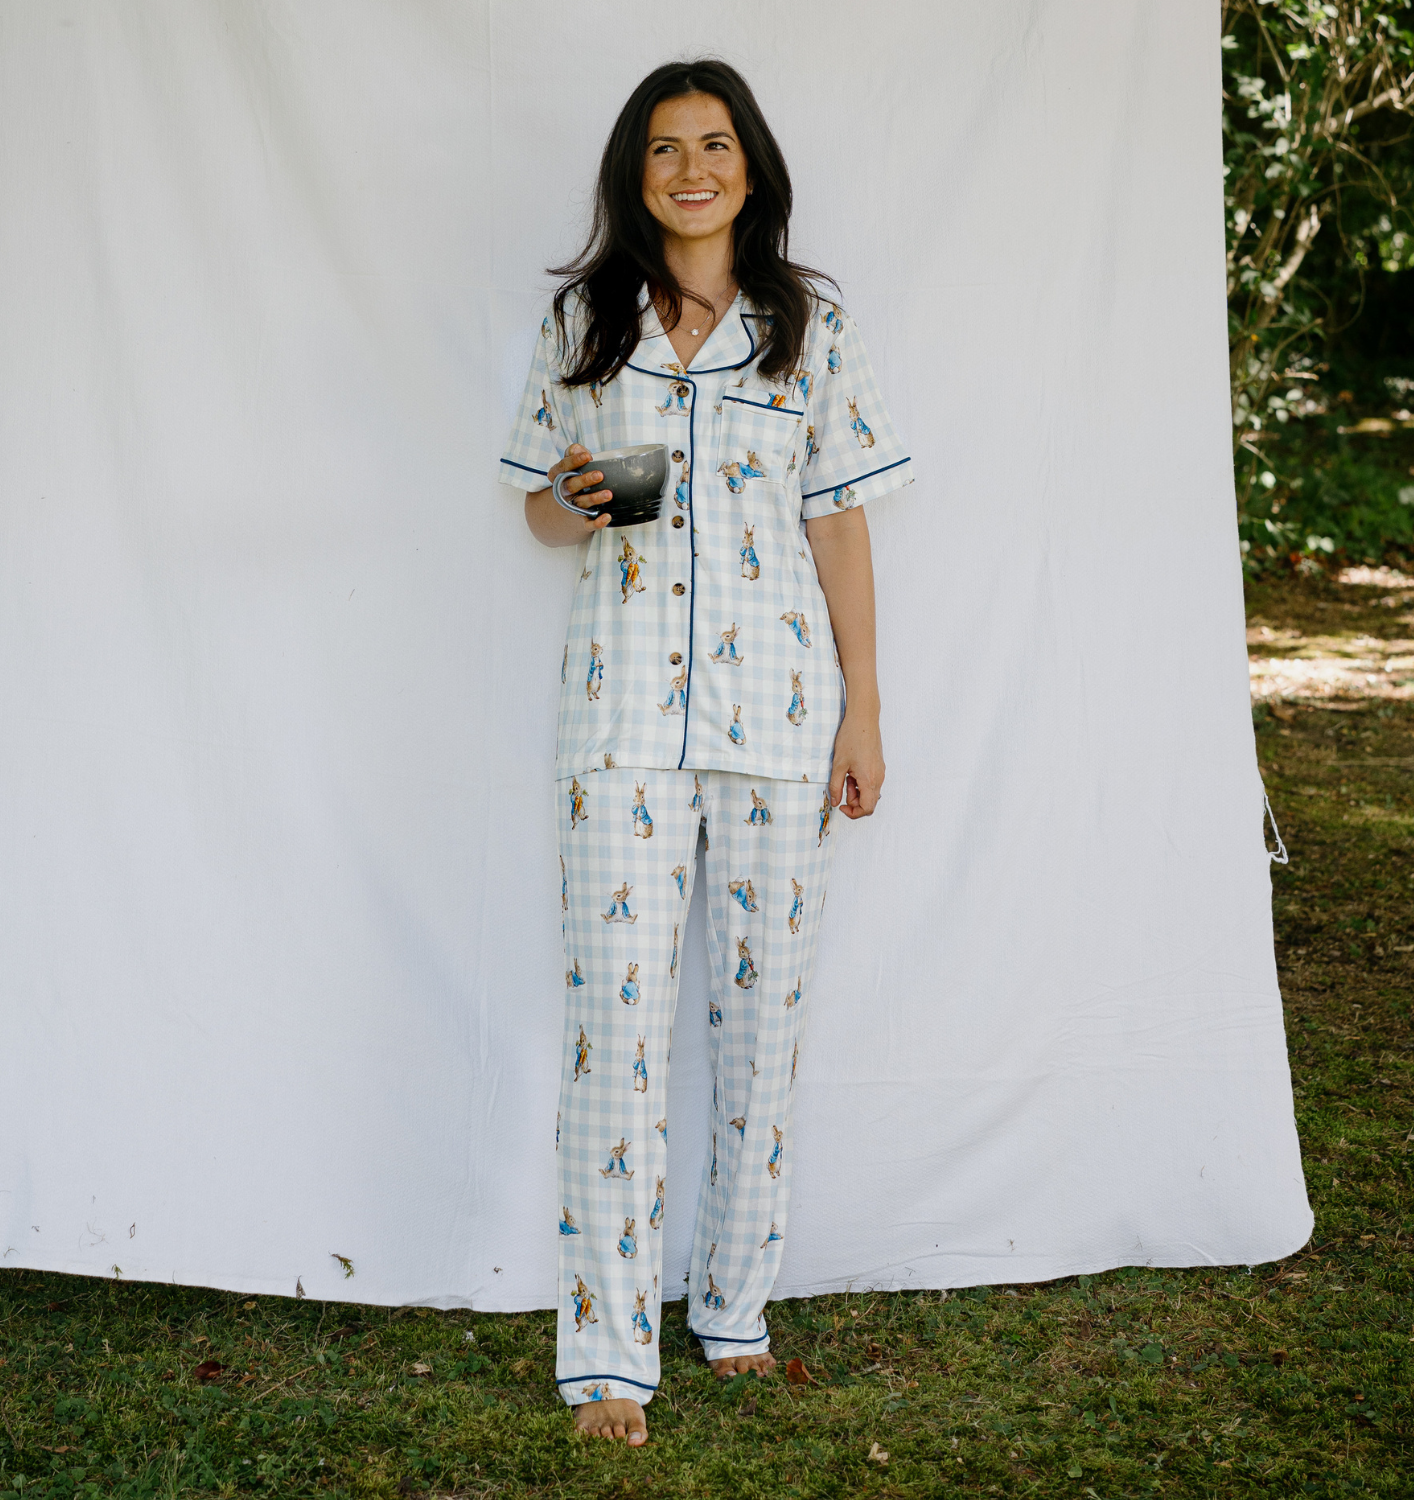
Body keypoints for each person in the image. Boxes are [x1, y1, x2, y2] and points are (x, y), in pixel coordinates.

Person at [498, 57, 911, 1447]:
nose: (692, 168)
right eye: (667, 147)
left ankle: (735, 1311)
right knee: (613, 1044)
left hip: (781, 721)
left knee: (763, 1031)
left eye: (716, 144)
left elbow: (839, 519)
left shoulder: (809, 327)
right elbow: (542, 507)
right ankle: (608, 1359)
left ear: (750, 167)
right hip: (619, 723)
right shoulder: (585, 321)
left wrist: (863, 708)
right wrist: (573, 502)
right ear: (637, 170)